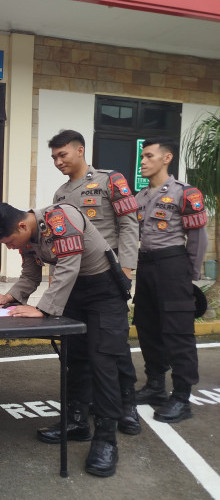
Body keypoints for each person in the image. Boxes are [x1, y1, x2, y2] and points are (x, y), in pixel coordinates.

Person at [0, 202, 132, 477]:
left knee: (103, 363)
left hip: (104, 292)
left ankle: (106, 440)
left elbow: (67, 268)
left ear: (22, 226)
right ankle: (77, 422)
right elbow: (30, 274)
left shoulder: (60, 219)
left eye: (10, 242)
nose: (12, 248)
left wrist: (42, 309)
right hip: (74, 293)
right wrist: (10, 297)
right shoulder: (28, 237)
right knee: (75, 359)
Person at [42, 129, 141, 440]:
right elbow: (59, 242)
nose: (58, 162)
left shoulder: (110, 180)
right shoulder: (60, 195)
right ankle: (78, 415)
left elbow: (129, 224)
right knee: (77, 352)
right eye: (54, 157)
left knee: (113, 347)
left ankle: (127, 406)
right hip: (75, 282)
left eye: (63, 155)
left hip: (108, 277)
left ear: (80, 150)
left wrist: (127, 269)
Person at [133, 137, 207, 423]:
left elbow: (198, 238)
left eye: (149, 156)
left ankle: (181, 397)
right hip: (146, 266)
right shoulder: (139, 197)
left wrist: (190, 276)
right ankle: (155, 385)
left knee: (178, 333)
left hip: (173, 265)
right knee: (147, 327)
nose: (143, 161)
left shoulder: (184, 193)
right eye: (142, 157)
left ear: (167, 158)